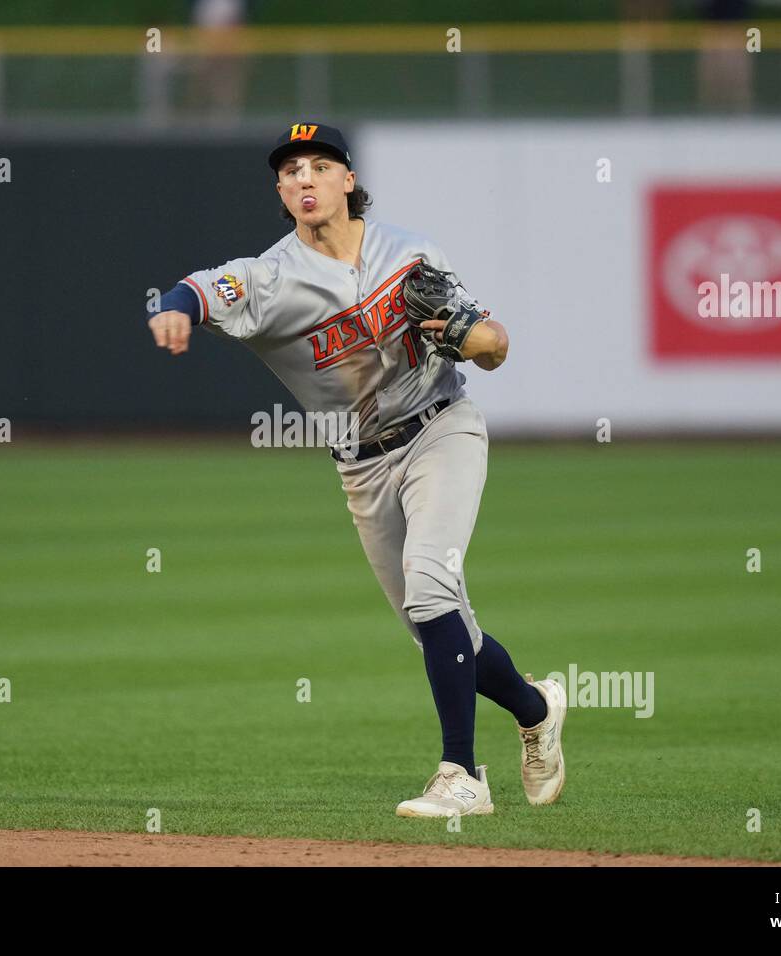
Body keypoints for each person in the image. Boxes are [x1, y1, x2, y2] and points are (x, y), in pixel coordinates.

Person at [146, 122, 567, 817]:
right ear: (280, 192)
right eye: (289, 172)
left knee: (433, 587)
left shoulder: (411, 253)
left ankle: (461, 775)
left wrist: (476, 340)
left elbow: (492, 345)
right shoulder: (270, 278)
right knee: (433, 624)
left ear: (348, 180)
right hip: (362, 466)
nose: (303, 179)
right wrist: (174, 311)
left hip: (442, 429)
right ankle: (535, 708)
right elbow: (200, 286)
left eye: (318, 165)